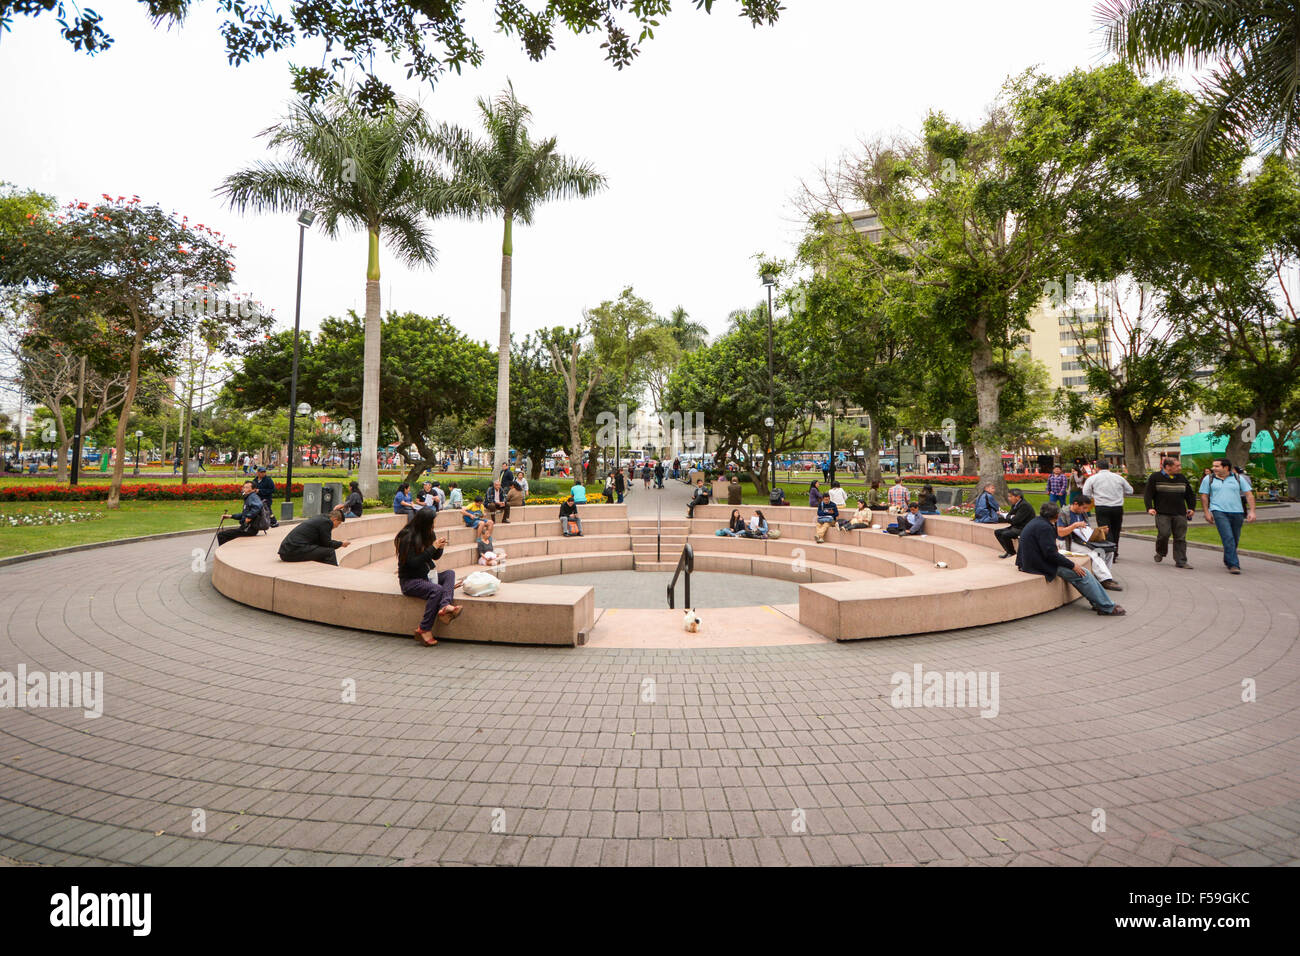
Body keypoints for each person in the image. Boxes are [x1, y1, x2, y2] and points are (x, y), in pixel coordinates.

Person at [1017, 502, 1125, 616]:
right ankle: (1106, 606)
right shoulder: (1045, 527)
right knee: (1084, 574)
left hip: (1032, 561)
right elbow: (1051, 555)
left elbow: (1047, 550)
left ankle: (1100, 603)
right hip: (1038, 564)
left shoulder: (1037, 522)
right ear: (1057, 516)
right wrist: (1073, 565)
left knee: (1082, 573)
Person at [395, 508, 461, 646]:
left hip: (427, 576)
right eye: (432, 522)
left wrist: (439, 547)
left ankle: (444, 607)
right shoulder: (407, 536)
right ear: (424, 522)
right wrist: (433, 547)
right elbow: (413, 563)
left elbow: (434, 557)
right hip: (411, 580)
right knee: (437, 590)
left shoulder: (428, 532)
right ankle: (424, 628)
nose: (434, 525)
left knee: (450, 574)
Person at [1199, 457, 1256, 574]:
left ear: (1226, 467)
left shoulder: (1238, 478)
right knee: (1228, 537)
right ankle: (1234, 565)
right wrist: (1206, 512)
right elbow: (1204, 496)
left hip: (1237, 512)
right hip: (1218, 511)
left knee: (1234, 538)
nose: (1213, 468)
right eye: (1213, 466)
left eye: (1216, 466)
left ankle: (1228, 558)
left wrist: (1252, 511)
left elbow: (1249, 495)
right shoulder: (1208, 479)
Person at [1055, 495, 1122, 590]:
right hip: (1068, 542)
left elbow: (1087, 530)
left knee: (1108, 551)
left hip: (1082, 541)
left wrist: (1100, 531)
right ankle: (1105, 580)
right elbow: (1060, 533)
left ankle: (1107, 576)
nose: (1085, 510)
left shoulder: (1082, 513)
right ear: (1075, 504)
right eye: (1084, 507)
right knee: (1093, 554)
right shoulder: (1064, 513)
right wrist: (1074, 526)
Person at [1144, 457, 1196, 569]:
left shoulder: (1182, 478)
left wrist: (1191, 508)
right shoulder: (1155, 477)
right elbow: (1148, 494)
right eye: (1177, 466)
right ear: (1168, 467)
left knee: (1180, 537)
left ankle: (1181, 561)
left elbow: (1190, 494)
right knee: (1164, 534)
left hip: (1180, 513)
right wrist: (1149, 508)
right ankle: (1161, 552)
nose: (1180, 468)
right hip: (1162, 512)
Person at [1082, 460, 1133, 558]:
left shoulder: (1093, 478)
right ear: (1109, 467)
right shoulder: (1118, 478)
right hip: (1117, 507)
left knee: (1105, 530)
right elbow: (1130, 490)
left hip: (1102, 506)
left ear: (1097, 468)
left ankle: (1110, 552)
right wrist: (1119, 494)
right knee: (1116, 530)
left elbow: (1086, 493)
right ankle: (1115, 550)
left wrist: (1094, 495)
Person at [279, 509, 351, 565]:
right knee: (330, 552)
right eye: (338, 523)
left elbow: (322, 543)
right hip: (292, 552)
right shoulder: (327, 523)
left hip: (287, 550)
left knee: (322, 551)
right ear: (334, 519)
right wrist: (341, 544)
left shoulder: (321, 518)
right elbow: (327, 544)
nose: (337, 526)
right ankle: (334, 574)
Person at [216, 481, 265, 546]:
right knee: (226, 534)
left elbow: (258, 507)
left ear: (253, 489)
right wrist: (230, 516)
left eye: (247, 487)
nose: (244, 489)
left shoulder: (253, 497)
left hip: (249, 529)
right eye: (244, 487)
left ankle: (225, 552)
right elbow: (243, 515)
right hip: (245, 528)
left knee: (222, 535)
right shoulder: (248, 498)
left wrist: (249, 517)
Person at [994, 488, 1036, 557]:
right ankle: (1009, 551)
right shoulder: (1015, 504)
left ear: (1018, 497)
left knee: (1005, 534)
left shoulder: (1024, 505)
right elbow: (1009, 516)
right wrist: (1011, 517)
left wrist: (1011, 517)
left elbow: (1015, 520)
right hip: (1016, 526)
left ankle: (1011, 553)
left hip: (1024, 528)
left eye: (1010, 496)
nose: (1009, 498)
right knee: (997, 532)